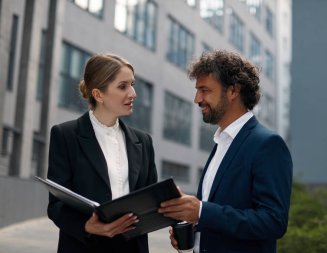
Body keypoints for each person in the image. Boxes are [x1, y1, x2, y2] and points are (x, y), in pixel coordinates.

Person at [159, 50, 293, 253]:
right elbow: (219, 213)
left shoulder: (267, 144)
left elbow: (273, 221)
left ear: (232, 91)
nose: (197, 99)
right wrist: (193, 228)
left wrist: (202, 212)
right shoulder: (221, 143)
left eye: (204, 90)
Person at [47, 53, 157, 253]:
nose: (133, 93)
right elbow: (56, 205)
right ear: (98, 95)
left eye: (132, 84)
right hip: (84, 246)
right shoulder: (65, 135)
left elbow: (152, 200)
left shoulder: (144, 141)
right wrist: (87, 226)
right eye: (123, 86)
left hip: (132, 247)